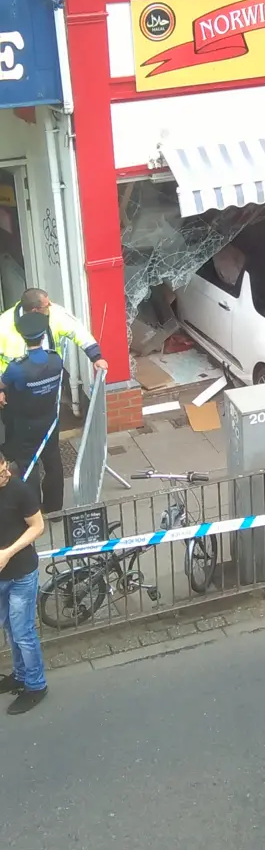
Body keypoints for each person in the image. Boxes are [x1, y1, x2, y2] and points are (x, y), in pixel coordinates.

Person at [0, 288, 108, 512]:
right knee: (47, 456)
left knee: (28, 461)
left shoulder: (54, 316)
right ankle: (46, 508)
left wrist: (96, 356)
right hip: (30, 403)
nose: (52, 308)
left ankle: (38, 510)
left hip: (30, 405)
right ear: (35, 311)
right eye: (47, 306)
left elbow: (79, 331)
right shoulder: (5, 326)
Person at [0, 312, 65, 515]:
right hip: (50, 420)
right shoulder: (56, 360)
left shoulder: (17, 368)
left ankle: (33, 510)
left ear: (22, 337)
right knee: (53, 461)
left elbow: (2, 384)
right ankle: (55, 509)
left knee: (28, 466)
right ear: (44, 335)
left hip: (25, 424)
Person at [0, 450, 47, 715]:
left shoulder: (19, 491)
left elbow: (37, 526)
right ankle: (19, 675)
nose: (5, 474)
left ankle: (36, 685)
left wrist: (7, 552)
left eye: (4, 466)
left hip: (21, 574)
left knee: (23, 632)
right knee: (10, 629)